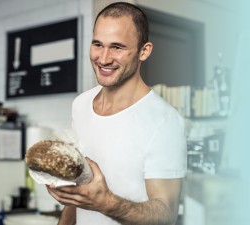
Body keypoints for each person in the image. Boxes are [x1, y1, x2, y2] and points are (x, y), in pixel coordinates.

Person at [47, 2, 187, 225]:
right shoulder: (81, 105)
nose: (103, 59)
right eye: (97, 45)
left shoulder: (165, 121)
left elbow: (166, 214)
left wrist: (106, 202)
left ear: (144, 51)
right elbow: (81, 191)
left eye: (117, 47)